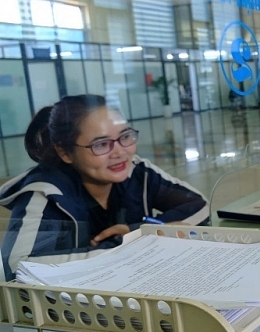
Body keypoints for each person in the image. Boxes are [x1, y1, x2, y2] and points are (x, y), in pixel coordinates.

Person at [1, 94, 209, 281]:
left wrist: (139, 230)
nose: (119, 152)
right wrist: (132, 245)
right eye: (101, 144)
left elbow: (200, 207)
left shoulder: (136, 172)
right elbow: (18, 266)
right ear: (65, 152)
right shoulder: (46, 193)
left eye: (125, 137)